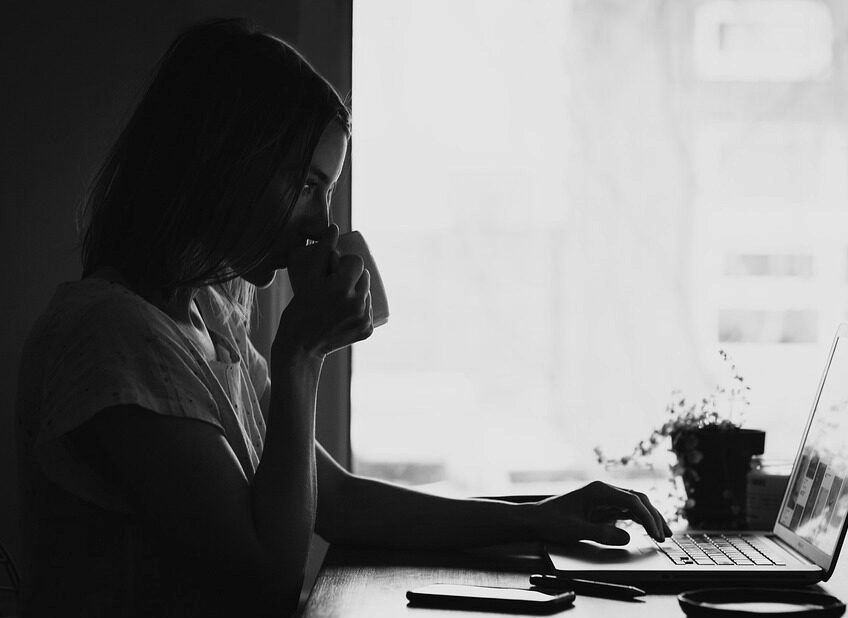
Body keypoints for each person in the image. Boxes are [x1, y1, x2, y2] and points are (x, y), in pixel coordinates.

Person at [15, 18, 671, 618]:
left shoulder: (208, 321)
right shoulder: (113, 336)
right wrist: (299, 355)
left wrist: (535, 519)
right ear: (222, 163)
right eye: (306, 185)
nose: (323, 223)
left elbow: (340, 500)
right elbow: (265, 576)